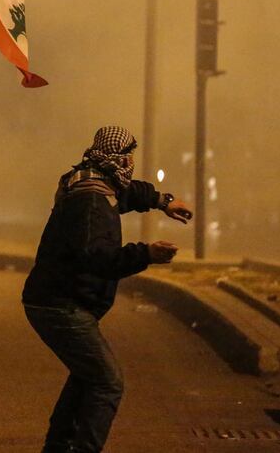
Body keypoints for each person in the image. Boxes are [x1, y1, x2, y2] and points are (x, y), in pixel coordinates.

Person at [21, 126, 193, 453]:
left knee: (86, 377)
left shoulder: (90, 180)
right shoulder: (91, 200)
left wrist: (162, 201)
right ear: (119, 157)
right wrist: (146, 254)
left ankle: (57, 447)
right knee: (107, 383)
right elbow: (96, 257)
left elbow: (127, 193)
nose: (131, 162)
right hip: (61, 305)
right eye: (129, 155)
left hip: (60, 300)